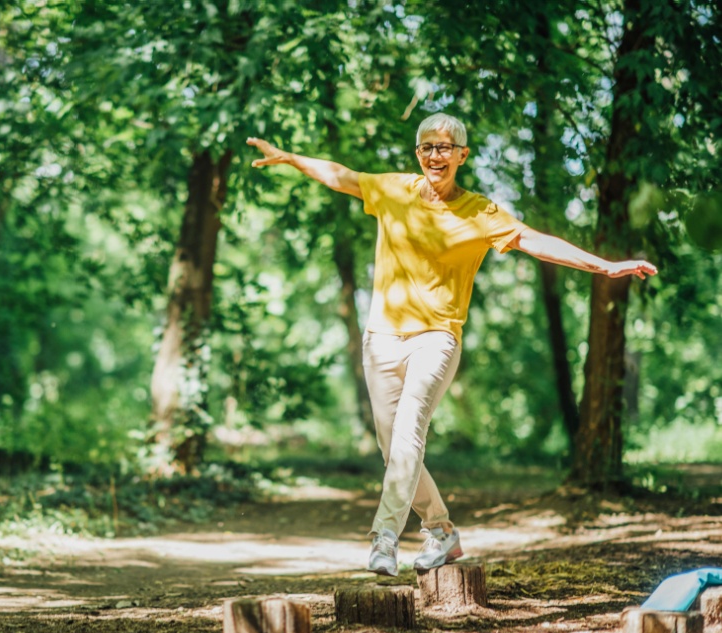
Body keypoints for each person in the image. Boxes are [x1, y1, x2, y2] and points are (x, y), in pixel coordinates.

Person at [246, 113, 657, 577]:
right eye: (425, 147)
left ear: (462, 154)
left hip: (436, 338)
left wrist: (605, 267)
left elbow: (535, 240)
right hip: (380, 339)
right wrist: (290, 159)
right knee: (394, 449)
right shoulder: (394, 190)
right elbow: (341, 175)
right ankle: (442, 532)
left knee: (409, 434)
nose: (433, 155)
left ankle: (384, 538)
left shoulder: (480, 213)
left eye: (443, 147)